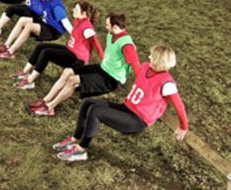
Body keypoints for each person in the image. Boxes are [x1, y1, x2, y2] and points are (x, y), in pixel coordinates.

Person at [54, 45, 188, 162]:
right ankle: (74, 140)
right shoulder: (146, 67)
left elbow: (179, 105)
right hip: (127, 108)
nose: (148, 57)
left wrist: (183, 126)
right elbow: (135, 66)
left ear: (159, 61)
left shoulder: (167, 82)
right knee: (88, 102)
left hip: (137, 120)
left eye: (152, 56)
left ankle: (81, 151)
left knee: (95, 111)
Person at [28, 12, 140, 116]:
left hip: (110, 78)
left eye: (107, 24)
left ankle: (49, 108)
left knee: (73, 80)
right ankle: (45, 100)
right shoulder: (111, 34)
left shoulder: (127, 45)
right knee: (68, 71)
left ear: (115, 27)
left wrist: (144, 86)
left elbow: (136, 66)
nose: (105, 27)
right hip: (102, 68)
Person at [12, 1, 104, 90]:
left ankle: (29, 81)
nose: (73, 10)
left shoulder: (87, 29)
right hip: (70, 50)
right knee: (41, 46)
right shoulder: (77, 21)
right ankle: (25, 72)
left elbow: (96, 45)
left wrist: (103, 60)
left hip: (77, 59)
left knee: (47, 53)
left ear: (83, 13)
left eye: (76, 9)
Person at [0, 0, 72, 59]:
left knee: (29, 27)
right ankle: (6, 45)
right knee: (22, 20)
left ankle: (10, 52)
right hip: (45, 22)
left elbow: (65, 22)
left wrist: (75, 36)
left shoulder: (56, 6)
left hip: (53, 30)